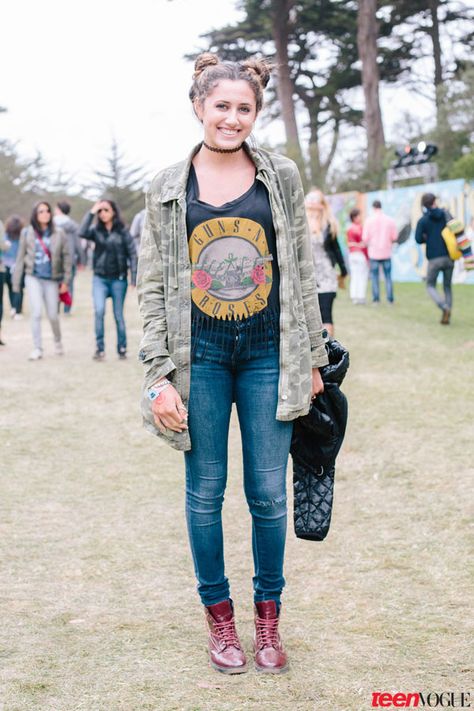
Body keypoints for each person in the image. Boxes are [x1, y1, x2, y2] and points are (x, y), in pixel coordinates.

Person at [137, 53, 328, 675]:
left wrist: (315, 359)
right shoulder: (168, 185)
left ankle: (268, 621)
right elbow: (155, 288)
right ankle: (220, 620)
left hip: (269, 352)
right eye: (221, 106)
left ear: (256, 111)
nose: (232, 118)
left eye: (244, 108)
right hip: (203, 358)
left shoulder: (281, 177)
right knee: (205, 494)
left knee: (269, 494)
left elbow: (301, 267)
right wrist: (158, 376)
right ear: (198, 107)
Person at [79, 199, 137, 360]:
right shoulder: (95, 230)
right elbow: (81, 232)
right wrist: (92, 211)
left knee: (118, 315)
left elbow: (132, 254)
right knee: (99, 311)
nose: (103, 213)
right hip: (100, 279)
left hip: (119, 279)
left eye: (106, 210)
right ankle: (100, 349)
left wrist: (134, 276)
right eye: (100, 211)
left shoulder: (123, 231)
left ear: (113, 212)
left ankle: (122, 349)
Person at [13, 201, 71, 360]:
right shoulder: (27, 232)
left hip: (51, 279)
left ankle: (58, 341)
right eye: (41, 211)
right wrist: (16, 283)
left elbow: (67, 257)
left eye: (47, 211)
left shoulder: (59, 233)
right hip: (33, 277)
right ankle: (37, 348)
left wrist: (66, 280)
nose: (45, 213)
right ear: (35, 214)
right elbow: (20, 258)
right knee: (36, 313)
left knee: (53, 315)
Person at [305, 188, 347, 338]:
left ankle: (329, 353)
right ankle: (319, 352)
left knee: (325, 315)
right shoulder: (301, 226)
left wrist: (343, 271)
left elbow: (336, 250)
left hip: (325, 277)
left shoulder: (328, 225)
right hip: (307, 278)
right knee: (314, 317)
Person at [415, 193, 454, 324]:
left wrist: (427, 237)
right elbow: (455, 228)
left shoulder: (423, 220)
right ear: (434, 201)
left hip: (434, 259)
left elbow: (418, 239)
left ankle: (444, 307)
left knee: (430, 285)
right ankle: (447, 313)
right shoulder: (445, 214)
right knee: (447, 287)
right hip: (449, 257)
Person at [362, 199, 398, 304]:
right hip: (386, 252)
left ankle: (376, 299)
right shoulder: (390, 220)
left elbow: (365, 238)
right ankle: (390, 299)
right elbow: (394, 237)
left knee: (375, 277)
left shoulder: (369, 220)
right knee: (388, 277)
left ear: (373, 208)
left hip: (374, 253)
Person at [54, 201, 83, 314]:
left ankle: (55, 308)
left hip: (54, 259)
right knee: (69, 284)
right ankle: (67, 308)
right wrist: (81, 259)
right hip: (70, 259)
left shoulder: (51, 224)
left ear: (59, 209)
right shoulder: (73, 225)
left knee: (55, 284)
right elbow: (78, 244)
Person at [3, 215, 25, 319]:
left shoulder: (5, 236)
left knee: (8, 288)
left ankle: (14, 309)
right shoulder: (21, 236)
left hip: (5, 265)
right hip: (16, 266)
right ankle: (16, 309)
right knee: (16, 289)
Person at [346, 208, 369, 305]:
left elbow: (350, 243)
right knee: (362, 276)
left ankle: (354, 296)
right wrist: (367, 257)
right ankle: (360, 296)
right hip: (360, 255)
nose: (360, 217)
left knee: (355, 276)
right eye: (359, 215)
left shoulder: (349, 229)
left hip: (352, 255)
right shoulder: (360, 228)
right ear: (355, 217)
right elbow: (363, 244)